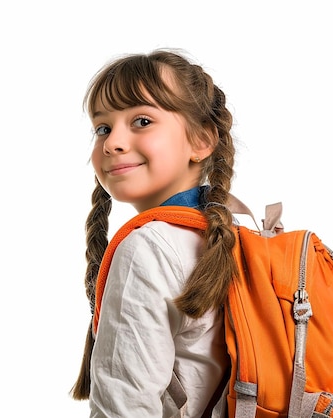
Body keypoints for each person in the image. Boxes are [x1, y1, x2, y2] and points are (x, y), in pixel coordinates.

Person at [71, 49, 239, 418]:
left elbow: (124, 407)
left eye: (142, 121)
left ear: (201, 142)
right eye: (103, 128)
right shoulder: (236, 232)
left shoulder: (149, 247)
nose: (113, 142)